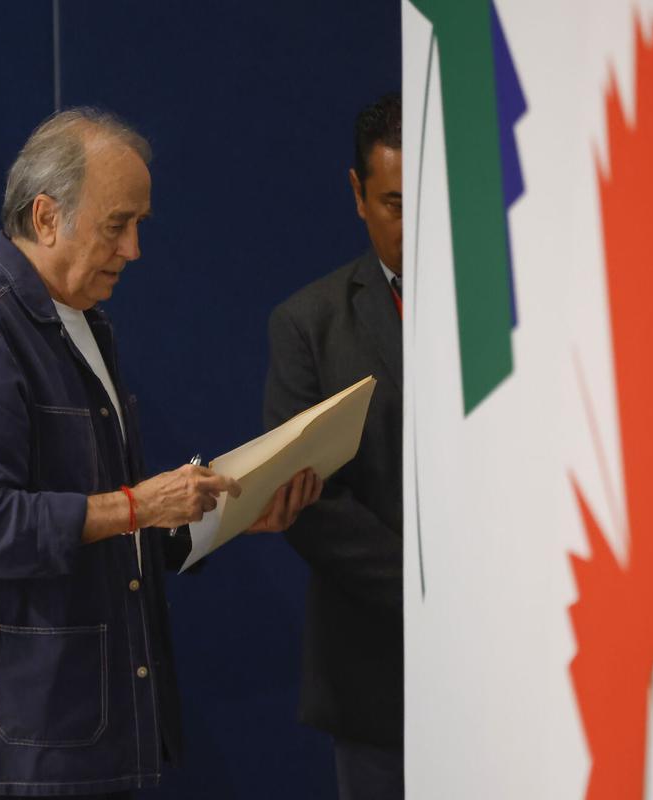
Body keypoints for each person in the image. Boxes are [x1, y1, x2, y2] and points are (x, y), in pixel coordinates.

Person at [0, 108, 320, 798]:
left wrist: (213, 519)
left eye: (139, 224)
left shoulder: (81, 323)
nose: (134, 249)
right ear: (46, 216)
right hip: (5, 746)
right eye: (118, 224)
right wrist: (142, 502)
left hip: (66, 725)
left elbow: (104, 516)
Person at [262, 93, 404, 799]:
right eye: (394, 206)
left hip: (516, 659)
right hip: (379, 671)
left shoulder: (518, 316)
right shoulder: (308, 323)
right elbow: (308, 502)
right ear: (357, 194)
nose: (414, 229)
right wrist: (430, 593)